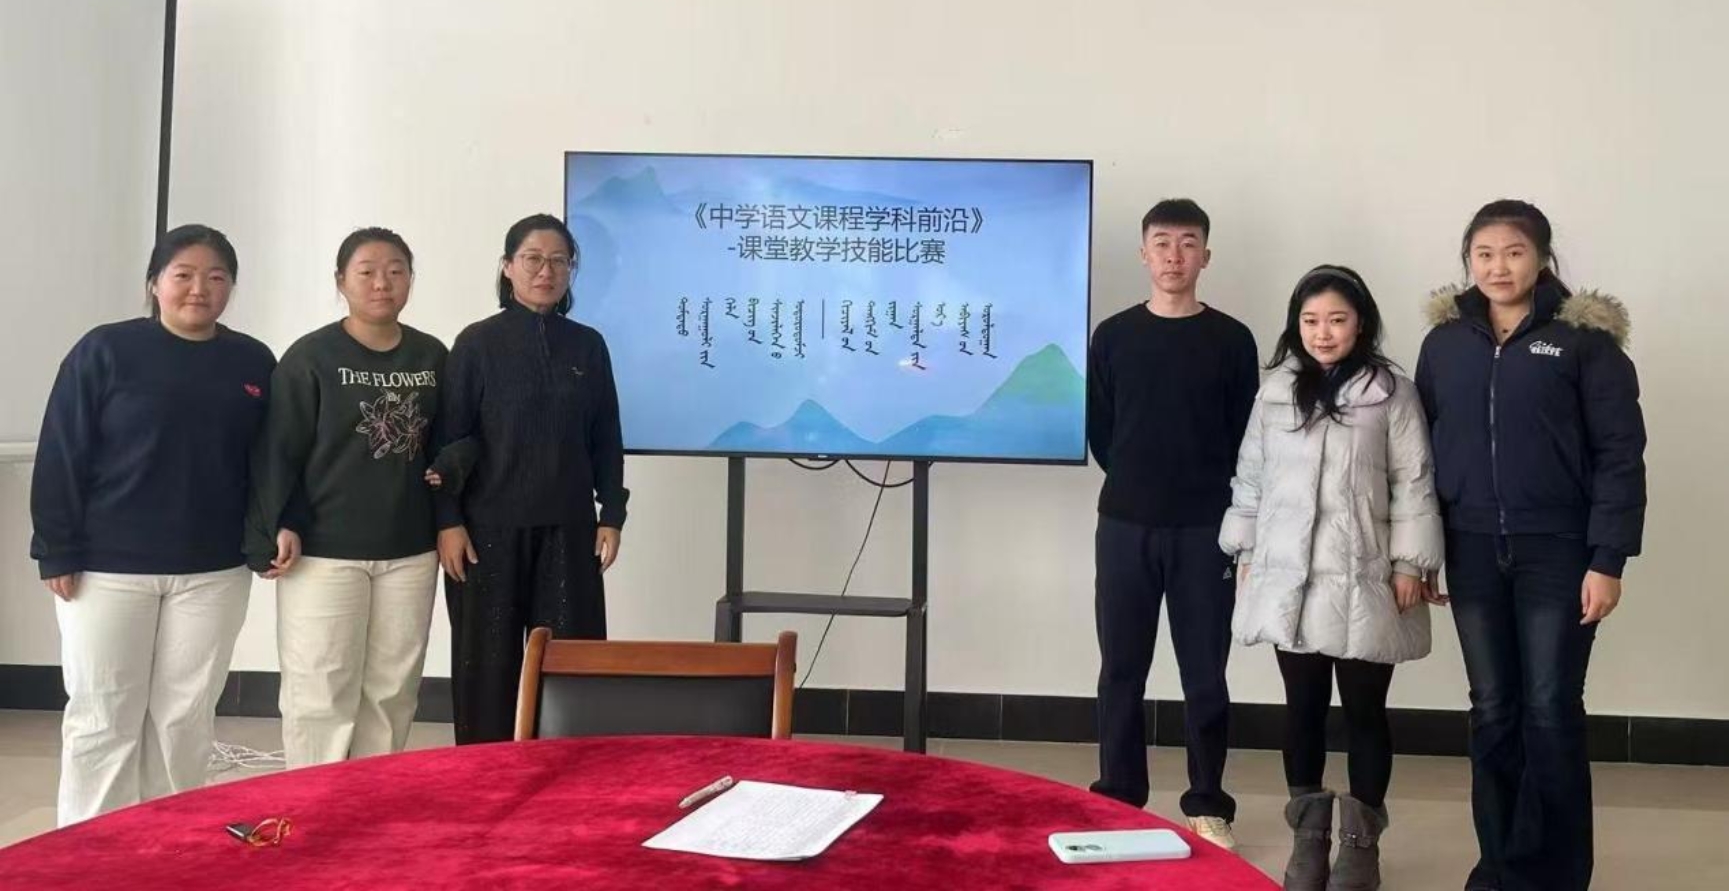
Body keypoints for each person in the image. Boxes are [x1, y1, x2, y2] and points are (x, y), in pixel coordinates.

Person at [1416, 199, 1646, 891]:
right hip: (1471, 548)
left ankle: (1558, 874)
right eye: (1483, 254)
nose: (1498, 267)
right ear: (1468, 260)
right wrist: (1423, 550)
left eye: (1513, 252)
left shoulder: (1583, 342)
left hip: (1559, 551)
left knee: (1549, 709)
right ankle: (1499, 867)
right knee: (1491, 709)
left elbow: (1620, 454)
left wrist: (1606, 559)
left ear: (1541, 258)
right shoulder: (1445, 344)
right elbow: (1420, 454)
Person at [30, 224, 275, 825]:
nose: (199, 289)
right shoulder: (105, 351)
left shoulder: (252, 361)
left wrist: (268, 536)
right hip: (107, 569)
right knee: (103, 714)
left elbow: (270, 461)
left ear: (231, 288)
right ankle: (91, 846)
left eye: (216, 277)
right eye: (183, 275)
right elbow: (62, 450)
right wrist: (56, 547)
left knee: (184, 716)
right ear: (154, 283)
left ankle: (170, 842)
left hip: (213, 571)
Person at [1222, 265, 1443, 890]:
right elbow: (1252, 478)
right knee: (1303, 708)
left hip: (1366, 576)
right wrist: (1246, 553)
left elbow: (1414, 479)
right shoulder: (1274, 393)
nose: (1323, 332)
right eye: (1311, 320)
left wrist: (1410, 563)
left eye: (1337, 320)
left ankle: (1361, 848)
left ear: (1361, 324)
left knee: (1366, 712)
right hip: (1290, 577)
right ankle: (1308, 842)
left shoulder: (1392, 393)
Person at [1085, 198, 1258, 849]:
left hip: (1205, 529)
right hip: (1124, 524)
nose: (1174, 256)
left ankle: (1207, 802)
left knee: (1204, 673)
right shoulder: (1113, 336)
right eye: (1162, 243)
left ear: (1205, 256)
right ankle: (1118, 795)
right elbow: (1102, 430)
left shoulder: (1232, 339)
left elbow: (1247, 439)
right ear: (1143, 253)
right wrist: (1140, 478)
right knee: (1120, 669)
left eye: (1187, 243)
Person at [244, 227, 450, 768]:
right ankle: (314, 805)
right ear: (341, 281)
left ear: (410, 279)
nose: (382, 283)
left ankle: (372, 802)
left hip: (410, 551)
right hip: (323, 552)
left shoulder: (432, 355)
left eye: (396, 271)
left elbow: (449, 444)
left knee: (392, 690)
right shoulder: (311, 356)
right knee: (320, 690)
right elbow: (278, 451)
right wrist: (279, 522)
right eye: (367, 272)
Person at [436, 213, 628, 744]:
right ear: (507, 267)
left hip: (569, 529)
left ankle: (568, 773)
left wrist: (612, 514)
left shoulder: (588, 346)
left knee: (572, 666)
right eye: (533, 259)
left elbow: (606, 436)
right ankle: (486, 775)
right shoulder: (476, 343)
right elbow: (448, 443)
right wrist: (448, 521)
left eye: (559, 261)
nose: (546, 271)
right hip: (486, 533)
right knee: (487, 669)